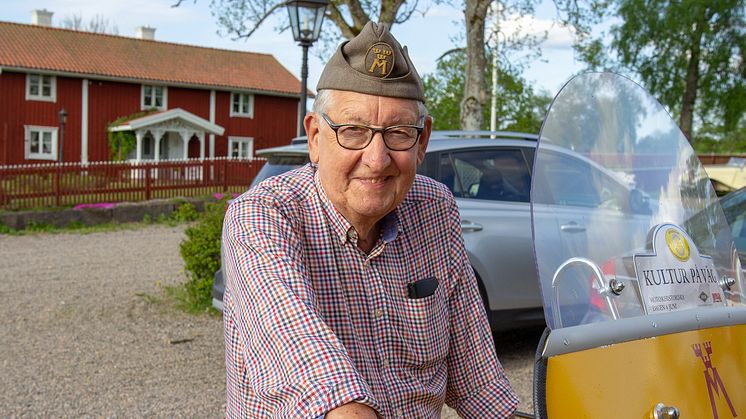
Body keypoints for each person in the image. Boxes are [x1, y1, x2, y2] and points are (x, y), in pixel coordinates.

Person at [222, 21, 518, 418]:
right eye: (353, 131)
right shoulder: (263, 215)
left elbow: (478, 380)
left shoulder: (435, 208)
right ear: (314, 138)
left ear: (422, 141)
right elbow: (304, 359)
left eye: (398, 133)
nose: (377, 160)